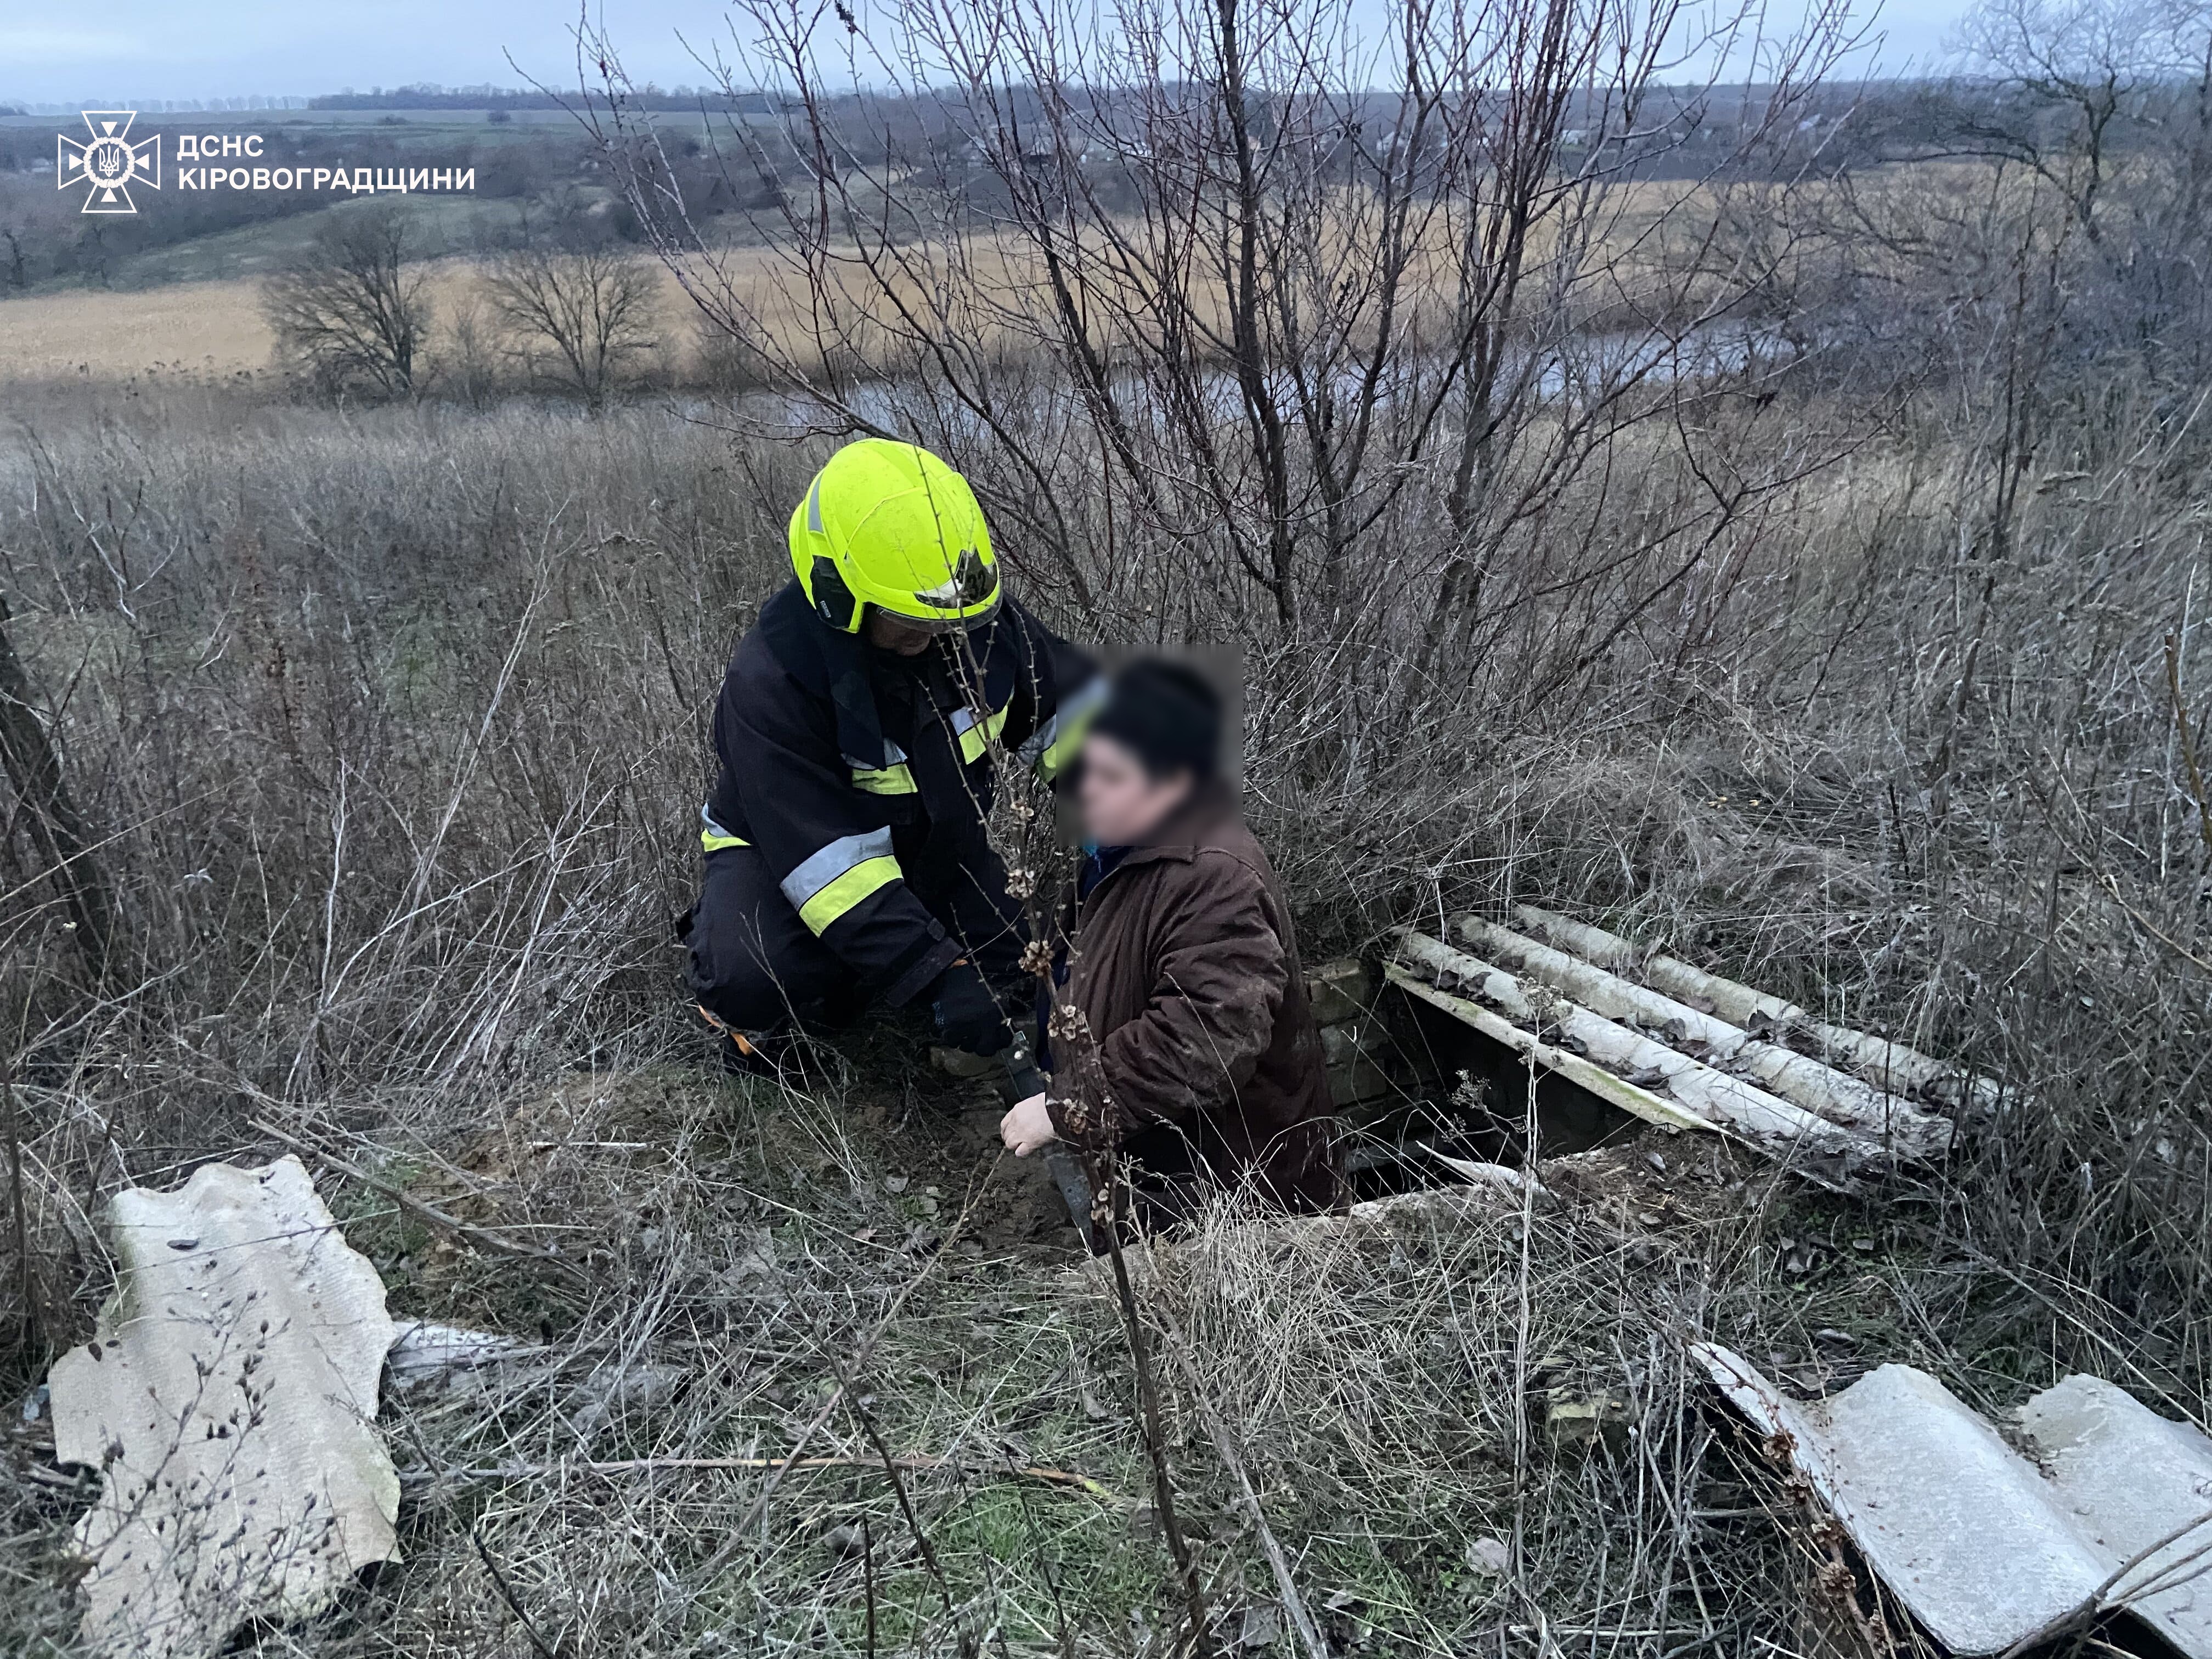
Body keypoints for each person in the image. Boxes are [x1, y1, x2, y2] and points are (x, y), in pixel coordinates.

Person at [683, 438, 1099, 1074]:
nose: (936, 633)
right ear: (838, 592)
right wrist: (938, 971)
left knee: (1022, 966)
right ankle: (761, 1033)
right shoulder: (773, 680)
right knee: (759, 974)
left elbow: (1066, 716)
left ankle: (912, 968)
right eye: (908, 620)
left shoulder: (966, 618)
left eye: (946, 618)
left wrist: (1142, 816)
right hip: (785, 855)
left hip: (939, 845)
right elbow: (828, 867)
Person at [998, 658, 1338, 1220]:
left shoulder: (1211, 875)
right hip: (1151, 1158)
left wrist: (1065, 1107)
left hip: (1226, 1195)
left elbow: (1206, 1039)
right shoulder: (1120, 849)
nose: (1088, 791)